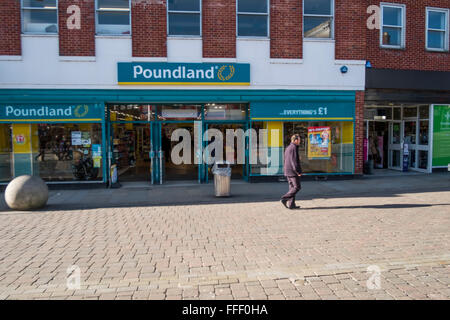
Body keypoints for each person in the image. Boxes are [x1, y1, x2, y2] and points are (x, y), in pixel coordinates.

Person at [281, 134, 303, 209]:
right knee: (297, 187)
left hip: (287, 170)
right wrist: (298, 171)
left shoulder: (288, 147)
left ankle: (291, 204)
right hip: (292, 171)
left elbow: (286, 159)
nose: (300, 141)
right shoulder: (294, 147)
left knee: (292, 188)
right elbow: (294, 161)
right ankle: (285, 198)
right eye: (299, 140)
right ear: (295, 140)